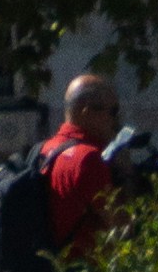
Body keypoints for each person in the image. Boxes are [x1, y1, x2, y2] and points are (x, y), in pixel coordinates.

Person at [39, 75, 127, 260]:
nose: (116, 121)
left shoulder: (45, 149)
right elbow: (121, 227)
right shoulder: (88, 159)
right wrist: (127, 173)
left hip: (51, 265)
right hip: (84, 270)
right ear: (86, 112)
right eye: (113, 112)